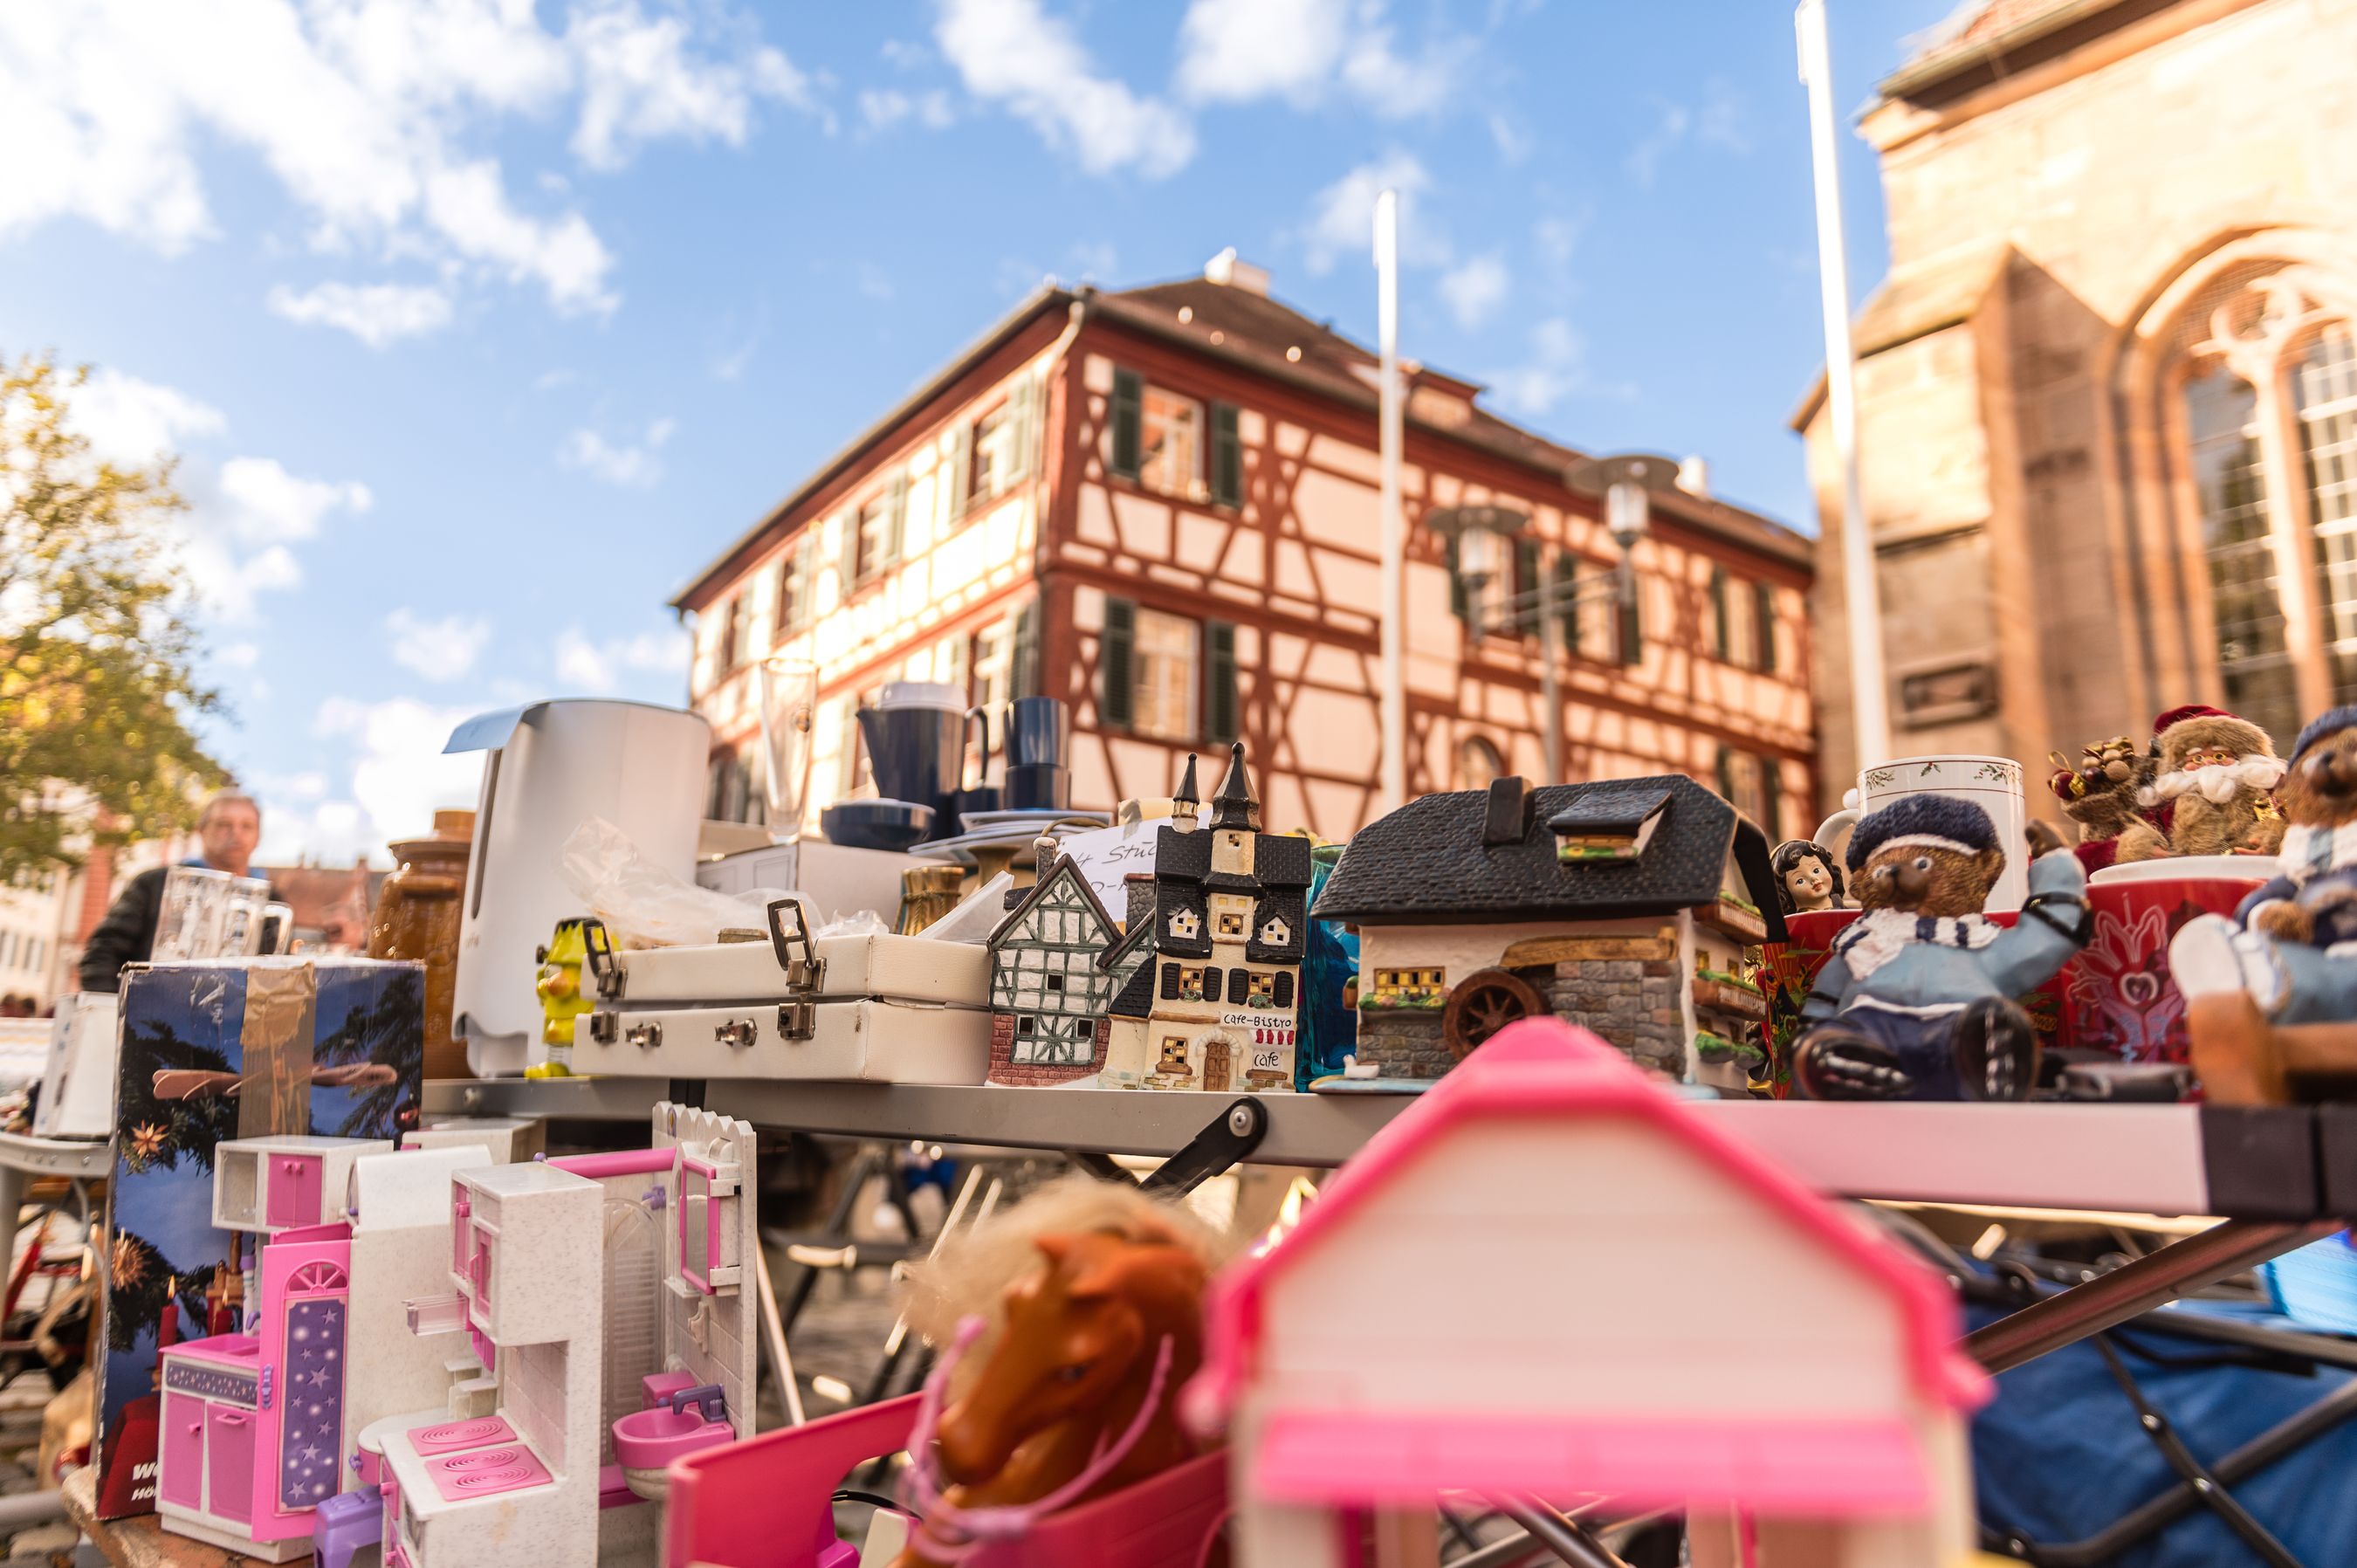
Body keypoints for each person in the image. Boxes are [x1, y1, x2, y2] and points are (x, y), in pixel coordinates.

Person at [77, 790, 280, 992]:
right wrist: (115, 1009)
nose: (235, 833)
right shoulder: (155, 884)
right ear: (201, 830)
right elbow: (102, 952)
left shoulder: (272, 901)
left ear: (258, 837)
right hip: (154, 1012)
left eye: (247, 826)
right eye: (223, 824)